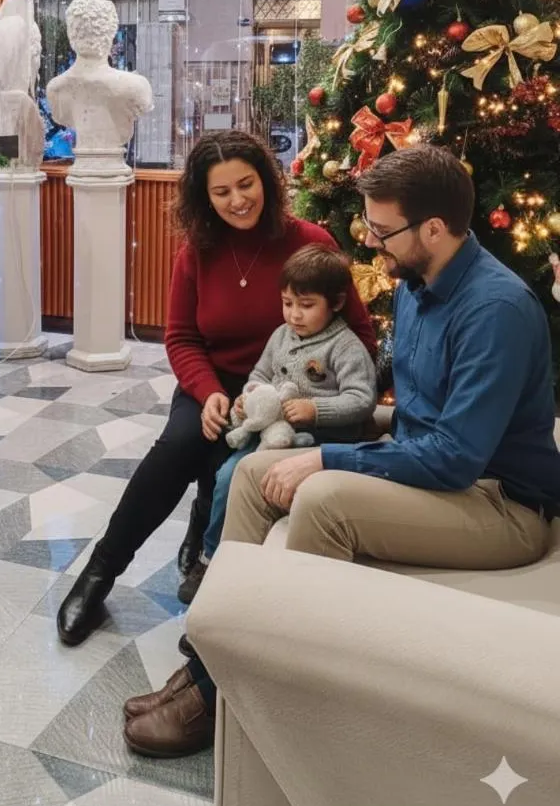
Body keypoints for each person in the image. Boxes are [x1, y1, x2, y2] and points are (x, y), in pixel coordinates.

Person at [122, 145, 560, 759]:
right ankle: (211, 669)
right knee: (250, 472)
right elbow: (412, 419)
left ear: (432, 229)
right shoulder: (417, 285)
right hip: (443, 473)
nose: (372, 243)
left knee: (322, 498)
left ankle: (243, 698)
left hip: (500, 505)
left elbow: (455, 458)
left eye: (383, 231)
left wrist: (328, 458)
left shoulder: (496, 311)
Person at [56, 130, 376, 647]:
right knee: (179, 447)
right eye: (221, 191)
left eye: (246, 184)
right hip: (216, 383)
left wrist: (311, 395)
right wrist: (207, 392)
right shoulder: (196, 252)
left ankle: (209, 563)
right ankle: (99, 574)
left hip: (291, 390)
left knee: (233, 465)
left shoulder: (312, 243)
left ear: (267, 182)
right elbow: (181, 336)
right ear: (204, 197)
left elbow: (357, 334)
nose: (237, 200)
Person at [177, 243, 377, 604]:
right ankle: (210, 557)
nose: (294, 315)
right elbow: (260, 372)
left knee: (247, 479)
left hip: (317, 443)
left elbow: (362, 400)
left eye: (306, 305)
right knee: (228, 475)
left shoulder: (345, 347)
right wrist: (250, 393)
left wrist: (316, 410)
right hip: (271, 434)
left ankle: (249, 568)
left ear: (334, 303)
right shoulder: (281, 336)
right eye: (287, 303)